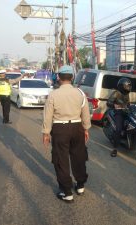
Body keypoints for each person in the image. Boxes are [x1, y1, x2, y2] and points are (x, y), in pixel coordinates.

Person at [42, 65, 91, 203]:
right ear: (72, 77)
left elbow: (48, 115)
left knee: (61, 160)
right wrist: (86, 129)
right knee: (79, 156)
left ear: (58, 77)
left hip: (60, 129)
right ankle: (80, 186)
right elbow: (85, 113)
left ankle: (67, 192)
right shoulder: (80, 93)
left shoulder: (53, 94)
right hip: (77, 128)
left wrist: (46, 132)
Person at [107, 78, 132, 157]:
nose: (128, 87)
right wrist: (115, 105)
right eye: (127, 86)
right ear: (122, 86)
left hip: (126, 112)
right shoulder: (116, 93)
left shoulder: (127, 94)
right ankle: (115, 149)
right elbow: (109, 102)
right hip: (118, 112)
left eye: (129, 86)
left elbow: (128, 104)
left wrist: (130, 107)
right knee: (118, 129)